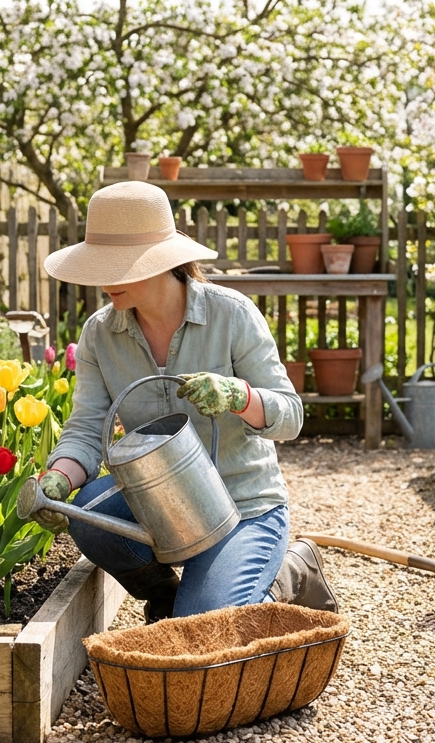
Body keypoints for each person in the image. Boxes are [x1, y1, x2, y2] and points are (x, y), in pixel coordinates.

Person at [28, 181, 337, 623]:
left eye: (117, 266)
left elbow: (290, 416)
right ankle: (167, 595)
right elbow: (86, 430)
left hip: (240, 506)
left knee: (210, 627)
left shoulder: (230, 314)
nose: (103, 280)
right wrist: (59, 479)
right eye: (99, 265)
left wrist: (238, 395)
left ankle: (292, 571)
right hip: (156, 498)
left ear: (160, 263)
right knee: (87, 514)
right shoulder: (100, 333)